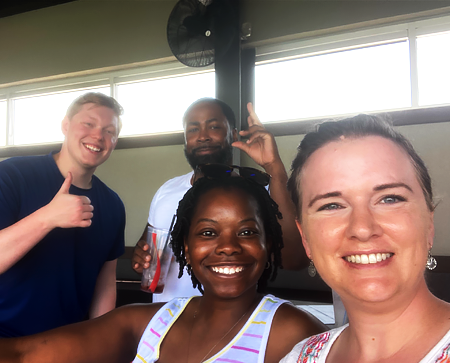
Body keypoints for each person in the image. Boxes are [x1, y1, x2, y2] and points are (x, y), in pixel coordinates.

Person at [0, 176, 326, 363]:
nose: (228, 247)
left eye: (247, 232)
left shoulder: (292, 332)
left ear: (268, 244)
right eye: (208, 232)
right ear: (185, 246)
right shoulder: (148, 324)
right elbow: (25, 353)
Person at [281, 115, 450, 362]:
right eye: (332, 205)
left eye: (389, 199)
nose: (362, 228)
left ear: (429, 224)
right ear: (305, 238)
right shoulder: (300, 357)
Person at [132, 97, 308, 303]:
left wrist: (274, 167)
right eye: (193, 129)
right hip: (167, 321)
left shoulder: (259, 192)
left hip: (233, 325)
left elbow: (295, 260)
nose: (203, 136)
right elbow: (148, 243)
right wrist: (140, 258)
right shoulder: (166, 191)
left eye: (214, 126)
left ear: (233, 133)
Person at [0, 92, 125, 337]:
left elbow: (105, 283)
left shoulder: (112, 205)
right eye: (88, 124)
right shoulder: (12, 175)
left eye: (109, 131)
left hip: (67, 344)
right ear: (65, 125)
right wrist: (47, 217)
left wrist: (103, 341)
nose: (98, 135)